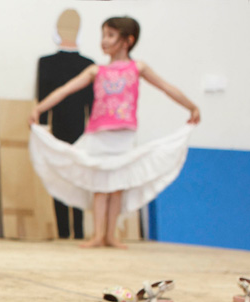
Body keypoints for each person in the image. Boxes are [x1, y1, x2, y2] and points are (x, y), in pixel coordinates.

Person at [29, 16, 200, 249]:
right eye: (103, 36)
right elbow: (65, 90)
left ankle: (110, 234)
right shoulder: (95, 70)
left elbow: (166, 87)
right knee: (100, 185)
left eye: (110, 36)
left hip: (123, 136)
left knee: (117, 185)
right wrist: (39, 108)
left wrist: (191, 107)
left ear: (127, 41)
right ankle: (98, 234)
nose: (104, 41)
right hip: (99, 135)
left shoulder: (137, 68)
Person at [37, 8, 93, 240]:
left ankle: (73, 231)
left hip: (71, 130)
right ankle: (69, 231)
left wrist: (41, 124)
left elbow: (43, 95)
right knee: (66, 177)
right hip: (65, 129)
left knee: (71, 177)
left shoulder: (87, 65)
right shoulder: (86, 64)